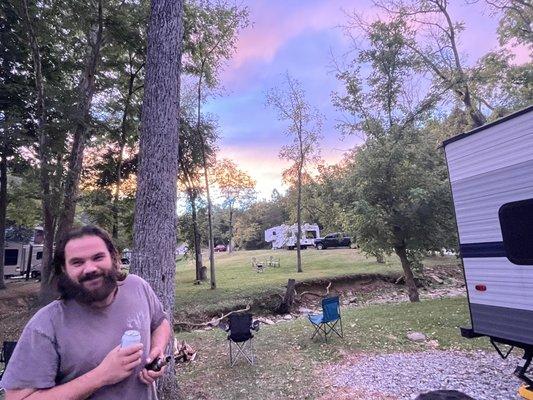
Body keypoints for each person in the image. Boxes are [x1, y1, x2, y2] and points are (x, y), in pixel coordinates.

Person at [0, 225, 172, 400]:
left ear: (113, 258)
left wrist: (156, 351)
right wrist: (101, 376)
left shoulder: (137, 287)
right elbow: (17, 398)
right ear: (64, 270)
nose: (90, 268)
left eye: (98, 257)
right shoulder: (46, 325)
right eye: (77, 262)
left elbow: (160, 323)